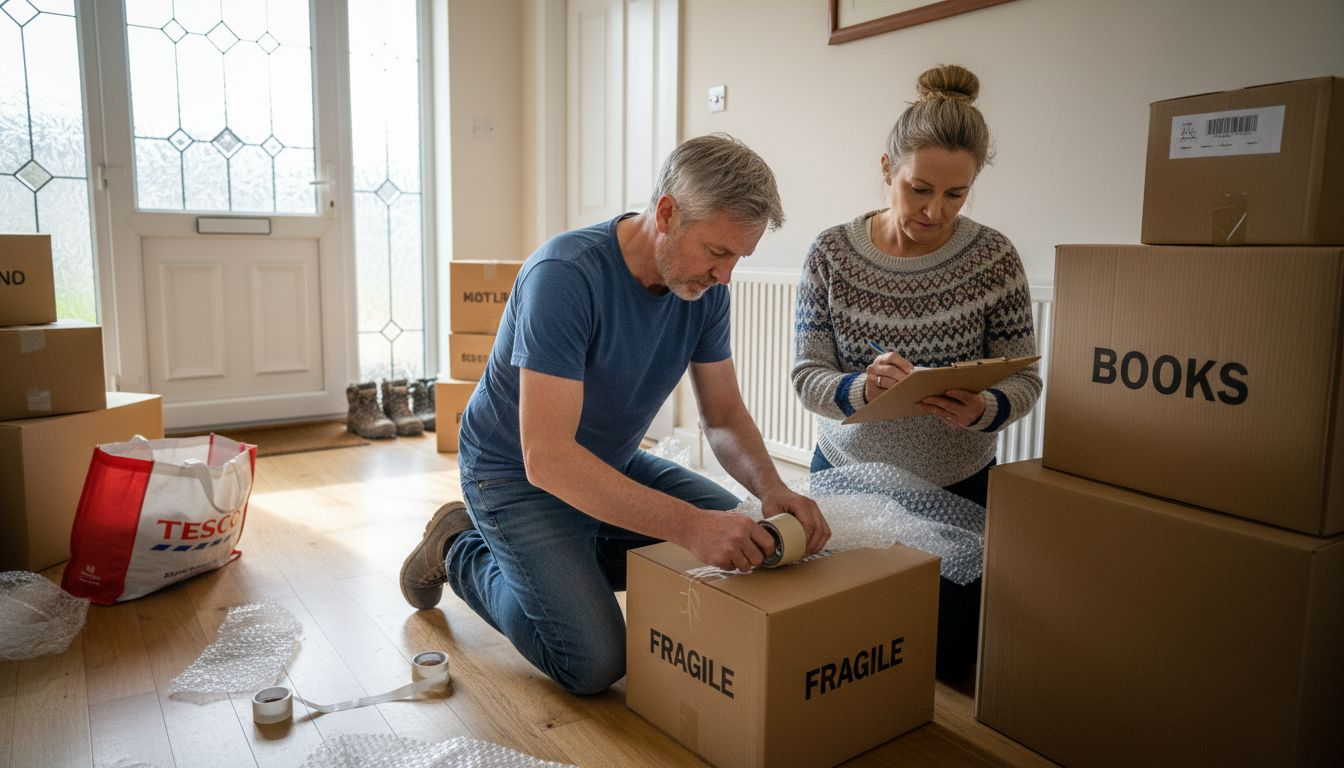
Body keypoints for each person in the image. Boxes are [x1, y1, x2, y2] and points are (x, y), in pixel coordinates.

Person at [400, 134, 831, 695]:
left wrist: (772, 488)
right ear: (668, 213)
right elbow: (548, 458)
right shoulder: (564, 276)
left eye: (737, 259)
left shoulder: (705, 293)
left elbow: (722, 417)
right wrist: (688, 526)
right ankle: (460, 546)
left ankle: (565, 562)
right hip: (514, 475)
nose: (725, 276)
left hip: (611, 463)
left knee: (749, 550)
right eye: (717, 253)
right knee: (595, 662)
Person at [791, 64, 1041, 682]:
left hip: (956, 485)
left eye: (956, 194)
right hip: (847, 478)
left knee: (948, 665)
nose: (935, 210)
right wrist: (858, 387)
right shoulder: (830, 254)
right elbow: (806, 375)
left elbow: (1026, 380)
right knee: (842, 655)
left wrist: (985, 409)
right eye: (918, 188)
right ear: (886, 169)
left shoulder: (993, 258)